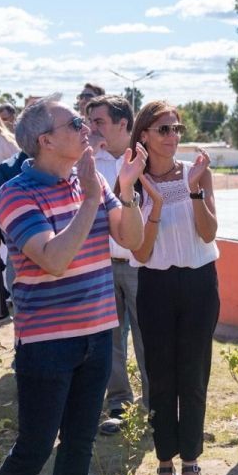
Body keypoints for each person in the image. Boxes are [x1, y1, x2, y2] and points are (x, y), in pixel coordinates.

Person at [0, 95, 145, 475]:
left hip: (96, 335)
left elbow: (131, 239)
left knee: (79, 441)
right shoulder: (16, 193)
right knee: (35, 447)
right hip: (46, 344)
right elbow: (54, 258)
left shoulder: (90, 181)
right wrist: (92, 201)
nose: (85, 127)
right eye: (74, 122)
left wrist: (126, 191)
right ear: (45, 140)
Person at [128, 101, 219, 475]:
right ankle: (164, 464)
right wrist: (155, 209)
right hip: (155, 284)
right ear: (144, 134)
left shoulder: (196, 173)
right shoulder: (132, 180)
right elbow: (142, 253)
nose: (173, 135)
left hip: (200, 282)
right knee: (160, 378)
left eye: (177, 128)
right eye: (164, 128)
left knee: (194, 376)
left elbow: (208, 232)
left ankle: (192, 465)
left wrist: (196, 189)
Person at [86, 94, 150, 436]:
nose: (92, 129)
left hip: (142, 264)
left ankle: (154, 406)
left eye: (99, 122)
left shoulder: (144, 158)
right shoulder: (86, 162)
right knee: (109, 340)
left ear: (123, 124)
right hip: (101, 263)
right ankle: (119, 404)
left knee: (147, 337)